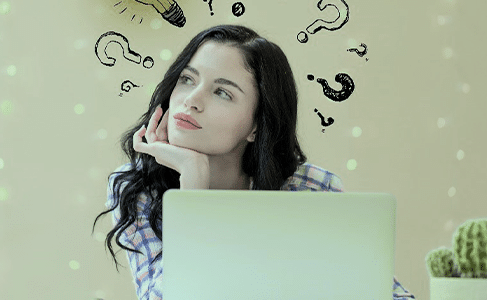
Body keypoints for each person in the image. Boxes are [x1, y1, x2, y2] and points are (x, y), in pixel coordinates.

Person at [92, 24, 415, 300]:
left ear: (256, 125)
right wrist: (193, 184)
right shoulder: (138, 188)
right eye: (187, 80)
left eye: (222, 92)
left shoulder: (309, 188)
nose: (191, 100)